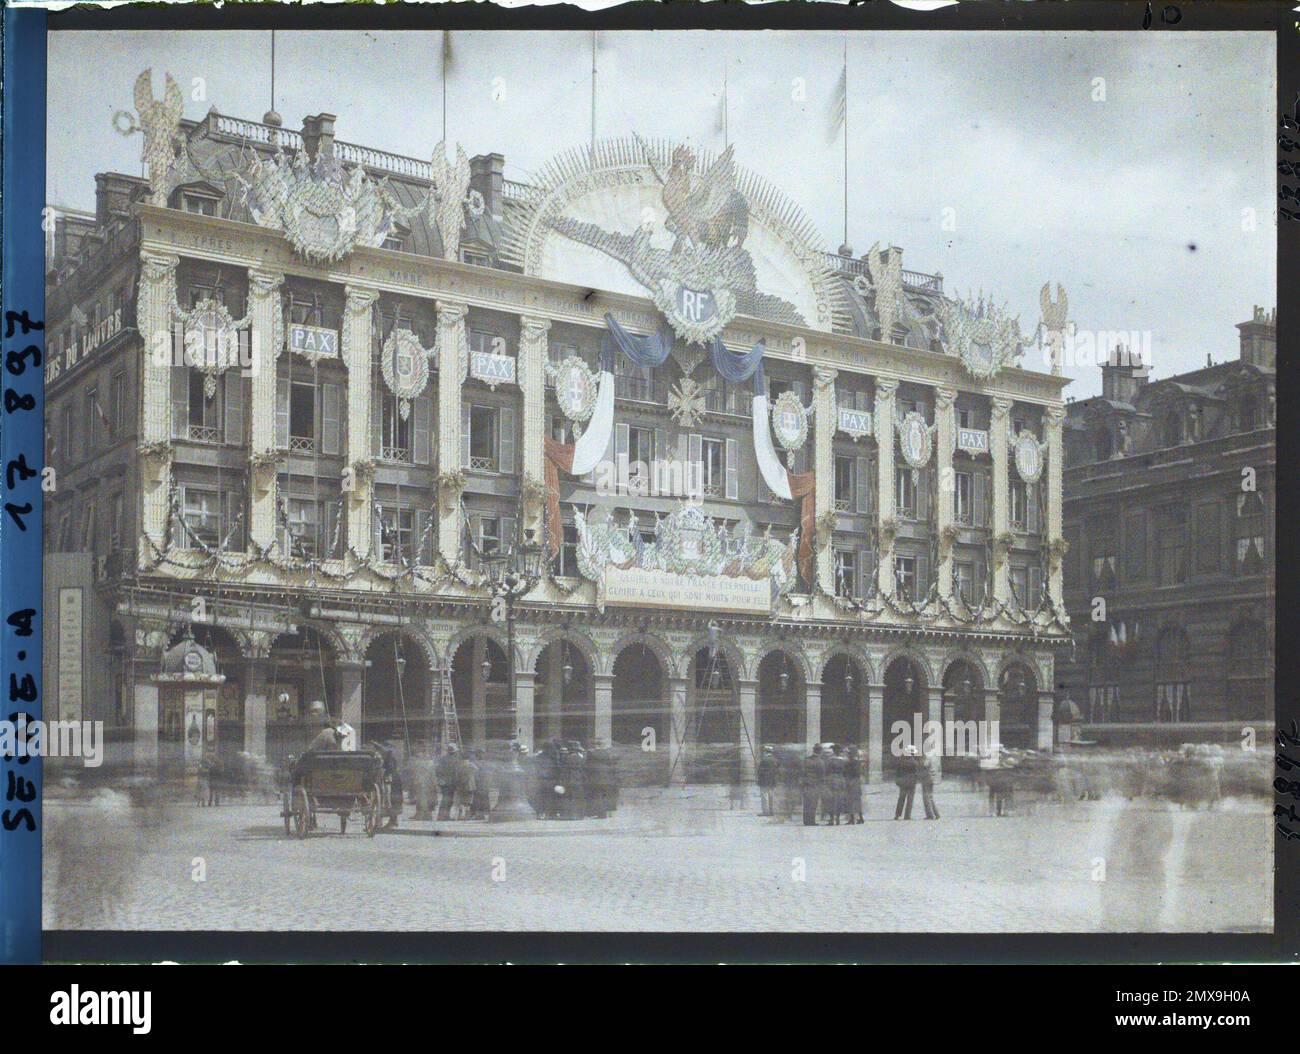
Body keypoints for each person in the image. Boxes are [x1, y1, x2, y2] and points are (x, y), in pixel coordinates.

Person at [801, 744, 826, 826]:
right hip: (815, 784)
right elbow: (822, 775)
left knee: (806, 803)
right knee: (813, 803)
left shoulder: (806, 760)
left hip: (806, 783)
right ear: (820, 751)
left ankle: (805, 820)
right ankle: (811, 821)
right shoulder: (820, 762)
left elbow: (802, 771)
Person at [894, 745, 920, 820]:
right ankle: (907, 815)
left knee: (901, 798)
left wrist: (897, 780)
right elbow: (917, 773)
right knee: (910, 799)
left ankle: (897, 814)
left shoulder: (901, 761)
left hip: (903, 781)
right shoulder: (914, 762)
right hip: (911, 782)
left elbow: (897, 772)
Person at [435, 744, 459, 820]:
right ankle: (444, 816)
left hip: (443, 782)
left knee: (445, 799)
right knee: (448, 800)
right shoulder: (455, 760)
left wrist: (440, 780)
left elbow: (437, 771)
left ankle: (442, 816)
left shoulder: (442, 759)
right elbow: (456, 772)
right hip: (451, 783)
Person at [824, 744, 847, 825]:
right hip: (841, 780)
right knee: (839, 800)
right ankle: (837, 818)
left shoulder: (830, 761)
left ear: (833, 751)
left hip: (832, 780)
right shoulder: (844, 761)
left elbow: (826, 771)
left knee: (831, 800)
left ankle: (831, 819)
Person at [843, 745, 864, 824]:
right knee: (857, 800)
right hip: (857, 782)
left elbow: (845, 773)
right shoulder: (858, 762)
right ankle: (860, 817)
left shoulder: (848, 763)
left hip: (850, 782)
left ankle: (852, 819)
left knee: (850, 801)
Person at [919, 748, 941, 820]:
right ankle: (936, 814)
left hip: (927, 777)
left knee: (926, 797)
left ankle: (930, 815)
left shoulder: (928, 755)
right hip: (933, 776)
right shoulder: (936, 755)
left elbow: (925, 764)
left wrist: (920, 761)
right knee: (930, 796)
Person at [471, 748, 492, 820]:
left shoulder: (475, 763)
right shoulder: (486, 763)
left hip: (480, 783)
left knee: (478, 799)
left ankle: (479, 814)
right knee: (483, 798)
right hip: (483, 783)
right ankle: (484, 813)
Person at [757, 745, 778, 817]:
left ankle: (765, 811)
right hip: (772, 781)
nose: (763, 753)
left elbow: (760, 771)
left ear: (766, 752)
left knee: (764, 796)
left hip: (764, 781)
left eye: (764, 751)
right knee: (771, 796)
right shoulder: (775, 760)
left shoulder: (764, 760)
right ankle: (771, 811)